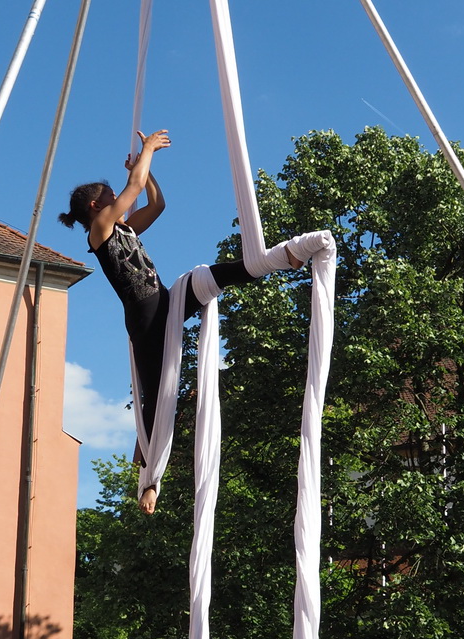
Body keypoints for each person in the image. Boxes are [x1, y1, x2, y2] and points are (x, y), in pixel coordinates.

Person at [58, 132, 303, 514]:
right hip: (145, 316)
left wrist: (146, 171)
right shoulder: (100, 231)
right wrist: (147, 152)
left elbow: (157, 202)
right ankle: (150, 480)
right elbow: (135, 185)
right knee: (158, 394)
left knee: (206, 279)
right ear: (96, 205)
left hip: (164, 303)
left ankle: (273, 260)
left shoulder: (125, 229)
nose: (120, 200)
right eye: (112, 197)